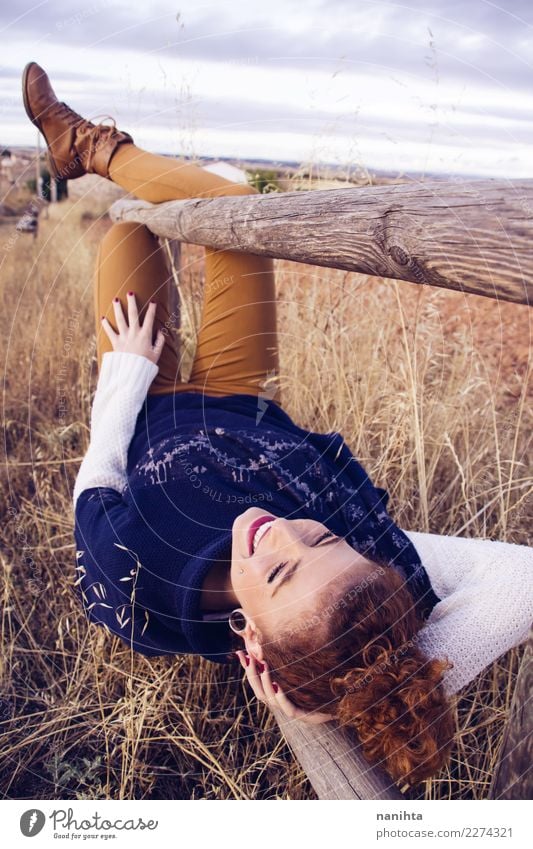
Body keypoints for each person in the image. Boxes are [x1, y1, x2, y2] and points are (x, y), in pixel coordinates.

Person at [22, 62, 533, 789]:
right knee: (231, 200)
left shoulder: (136, 574)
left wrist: (130, 370)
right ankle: (88, 146)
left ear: (252, 642)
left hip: (146, 398)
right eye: (322, 536)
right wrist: (383, 685)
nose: (281, 527)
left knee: (126, 231)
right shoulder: (365, 588)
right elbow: (525, 577)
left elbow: (97, 476)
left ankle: (84, 151)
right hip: (238, 399)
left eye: (278, 568)